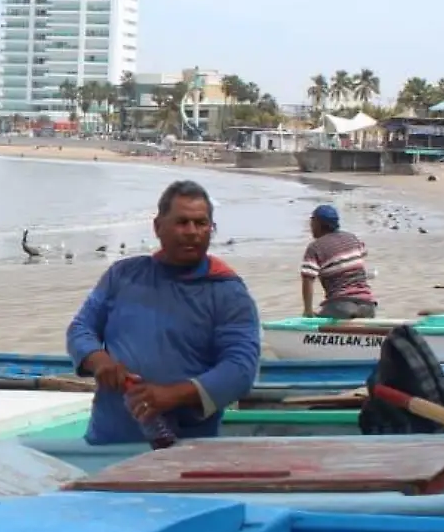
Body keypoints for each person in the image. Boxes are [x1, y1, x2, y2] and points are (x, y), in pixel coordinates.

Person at [65, 180, 262, 445]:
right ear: (158, 227)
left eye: (201, 223)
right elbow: (80, 328)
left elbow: (240, 370)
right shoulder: (122, 275)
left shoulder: (227, 291)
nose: (192, 232)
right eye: (182, 222)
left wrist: (173, 395)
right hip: (108, 442)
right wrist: (99, 360)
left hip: (184, 450)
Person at [299, 204, 377, 319]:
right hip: (368, 305)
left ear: (317, 224)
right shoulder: (352, 238)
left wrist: (308, 311)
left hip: (341, 306)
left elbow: (308, 280)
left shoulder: (315, 247)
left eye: (312, 222)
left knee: (318, 318)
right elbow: (362, 254)